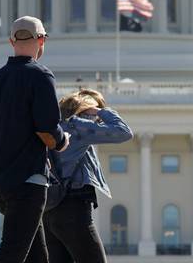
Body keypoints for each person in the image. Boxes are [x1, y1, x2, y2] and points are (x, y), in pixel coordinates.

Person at [0, 16, 69, 263]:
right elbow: (47, 131)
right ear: (41, 41)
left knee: (37, 258)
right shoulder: (40, 76)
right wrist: (62, 141)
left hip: (0, 183)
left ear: (11, 41)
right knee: (12, 253)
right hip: (28, 182)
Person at [43, 89, 133, 263]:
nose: (97, 122)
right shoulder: (78, 126)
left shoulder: (54, 128)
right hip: (73, 210)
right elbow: (123, 132)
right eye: (96, 118)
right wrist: (100, 111)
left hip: (49, 213)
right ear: (86, 110)